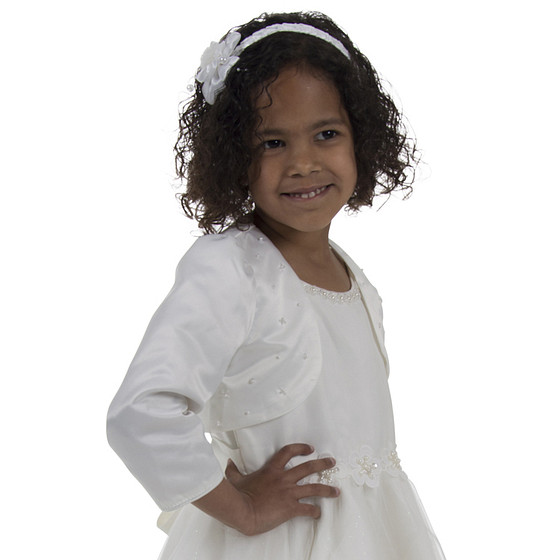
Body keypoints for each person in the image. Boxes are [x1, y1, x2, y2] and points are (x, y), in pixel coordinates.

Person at [107, 11, 446, 559]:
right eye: (272, 142)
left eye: (326, 134)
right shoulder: (232, 268)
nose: (303, 163)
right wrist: (240, 508)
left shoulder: (355, 279)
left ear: (361, 139)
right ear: (233, 155)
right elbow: (142, 411)